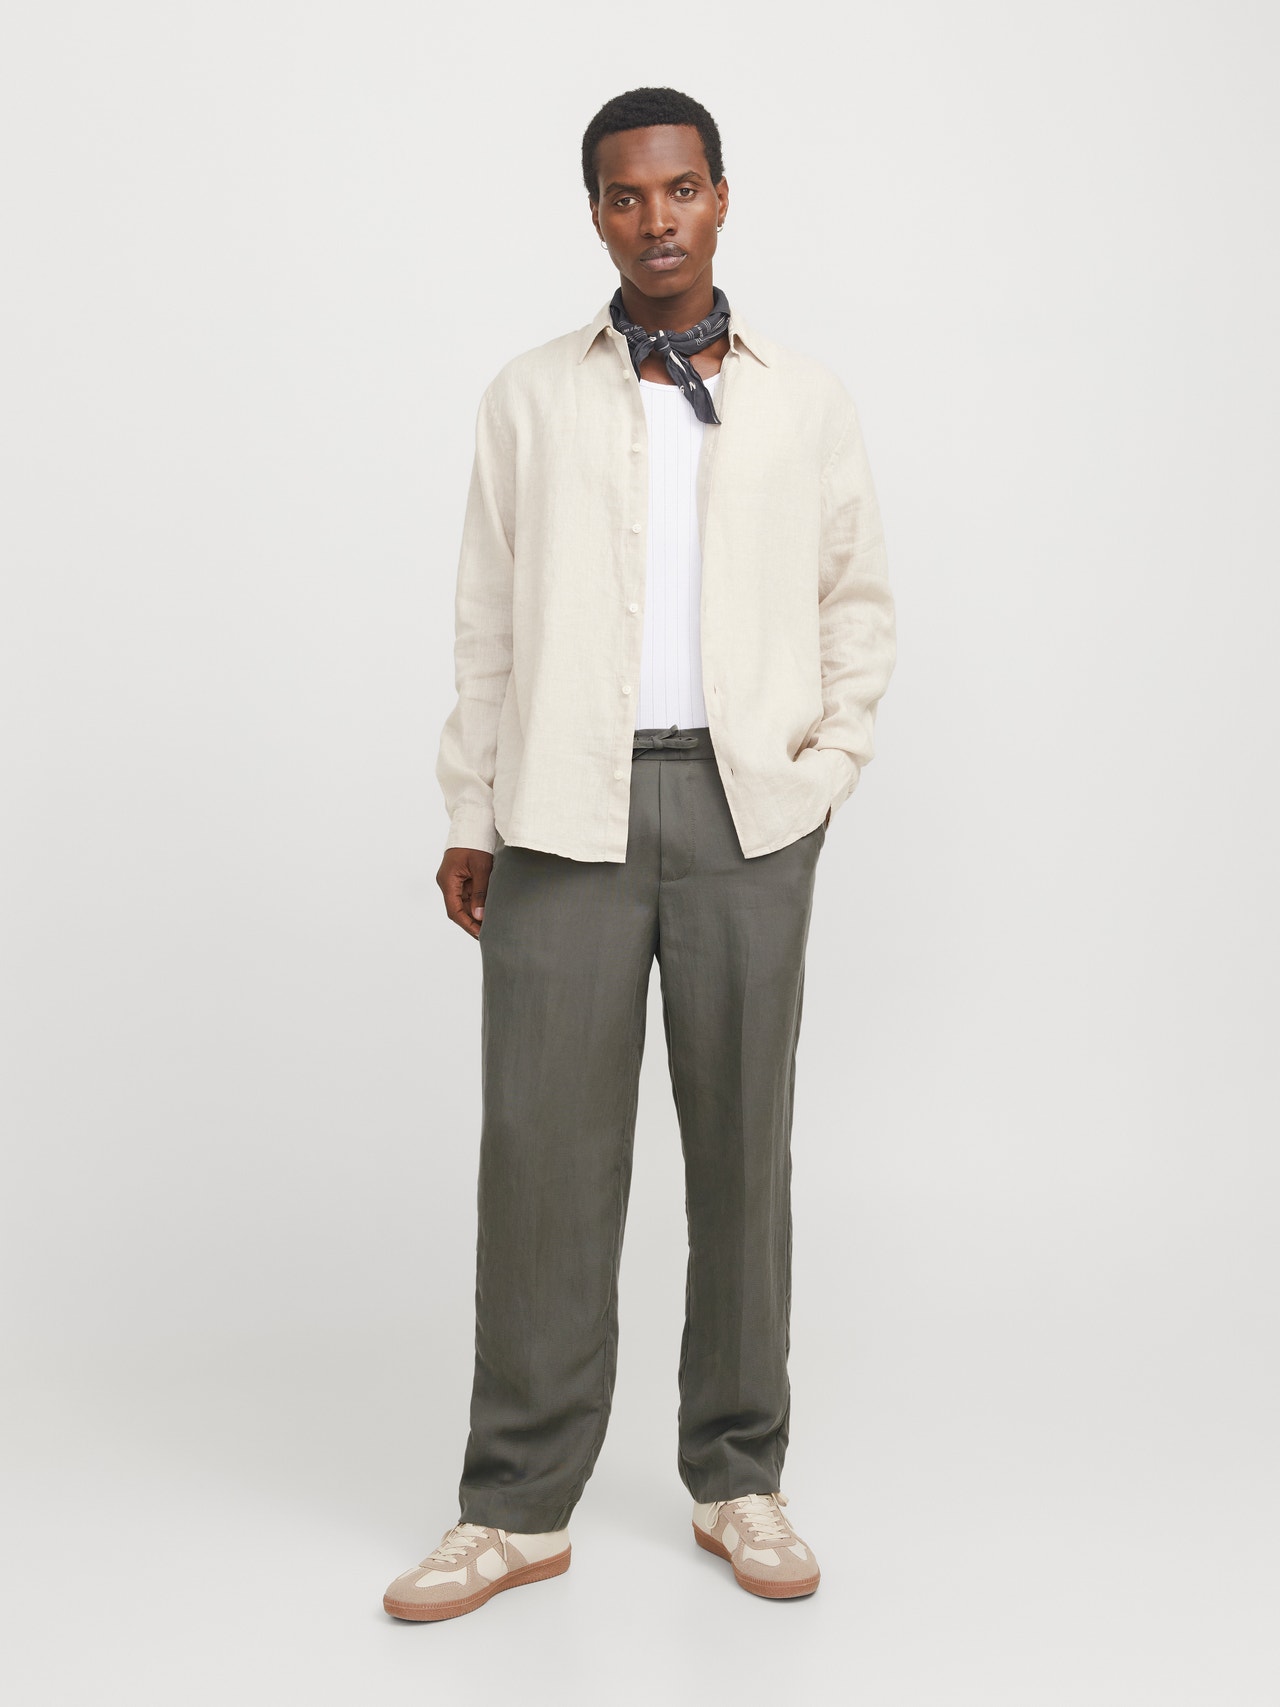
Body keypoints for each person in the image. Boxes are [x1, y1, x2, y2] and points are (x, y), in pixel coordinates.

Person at [383, 85, 896, 1622]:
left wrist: (822, 770)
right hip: (562, 811)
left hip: (748, 816)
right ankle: (515, 1506)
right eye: (625, 195)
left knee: (742, 1151)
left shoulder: (805, 401)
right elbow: (486, 621)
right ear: (596, 214)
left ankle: (738, 1476)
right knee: (541, 1164)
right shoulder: (529, 399)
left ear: (721, 197)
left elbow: (857, 600)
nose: (655, 218)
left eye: (680, 189)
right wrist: (469, 809)